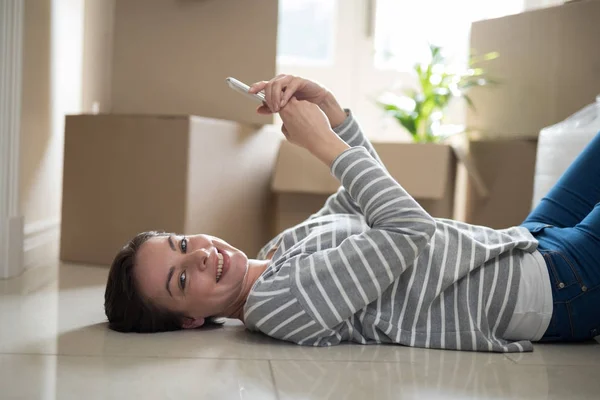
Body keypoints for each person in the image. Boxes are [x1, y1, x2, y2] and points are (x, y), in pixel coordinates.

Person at [104, 75, 600, 353]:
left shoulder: (273, 256)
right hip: (557, 288)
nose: (201, 258)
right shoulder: (279, 304)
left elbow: (362, 199)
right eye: (181, 281)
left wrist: (331, 111)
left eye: (184, 245)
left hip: (525, 242)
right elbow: (410, 227)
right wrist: (321, 144)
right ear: (191, 321)